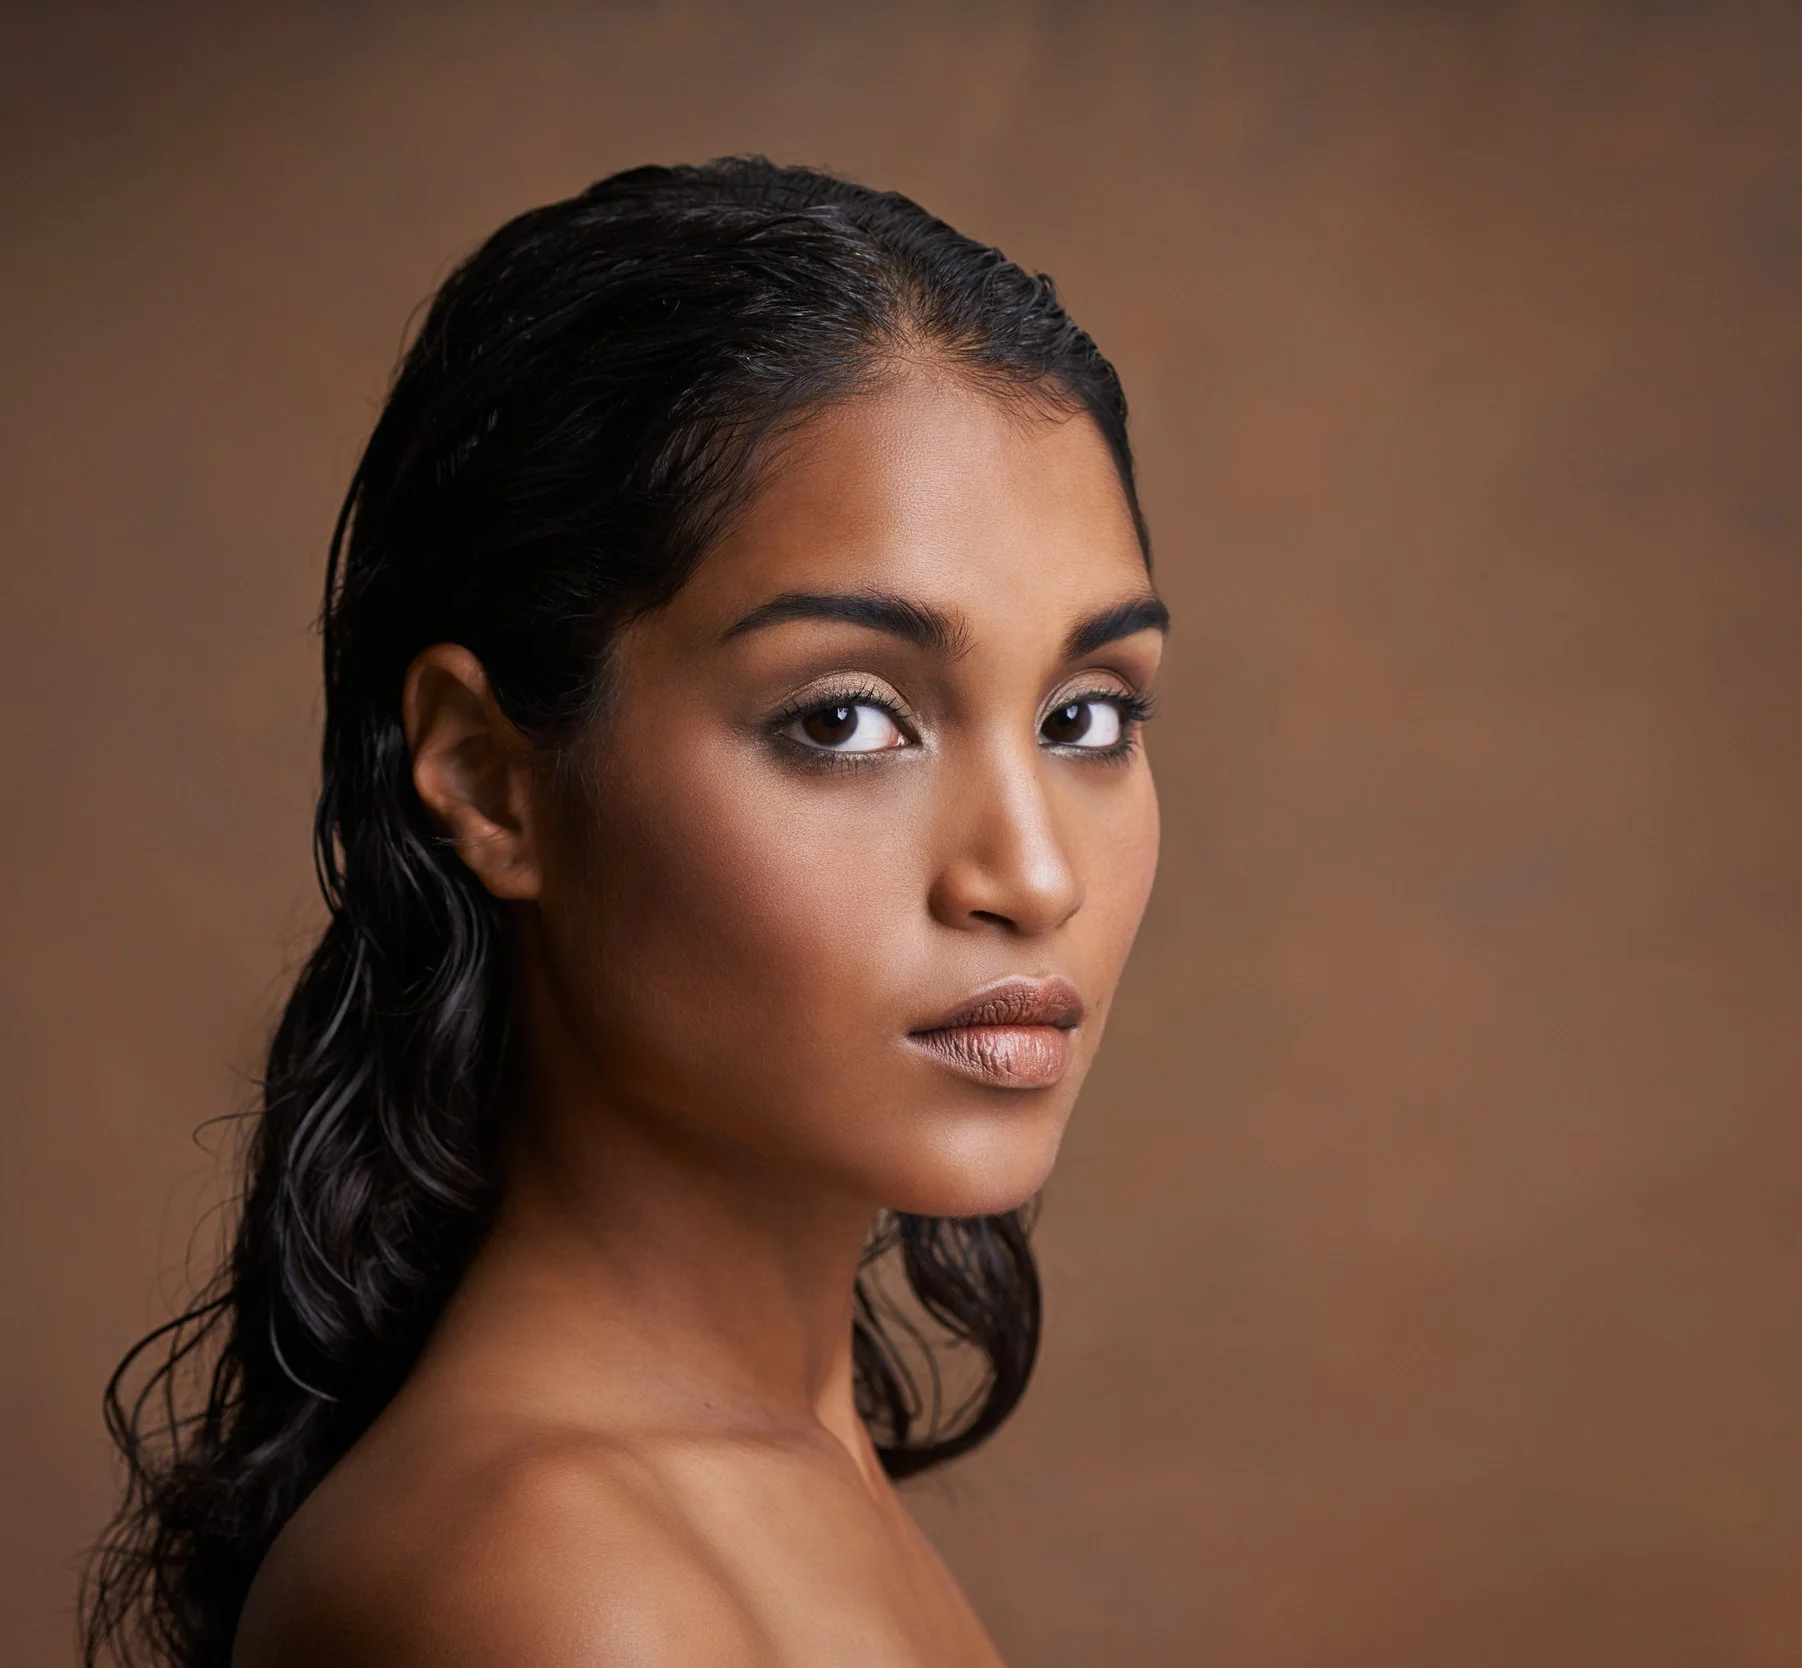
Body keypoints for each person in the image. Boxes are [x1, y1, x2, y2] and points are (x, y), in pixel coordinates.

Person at [85, 156, 1168, 1668]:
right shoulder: (553, 1587)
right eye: (846, 720)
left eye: (1084, 718)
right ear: (491, 779)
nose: (1035, 876)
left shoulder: (778, 1472)